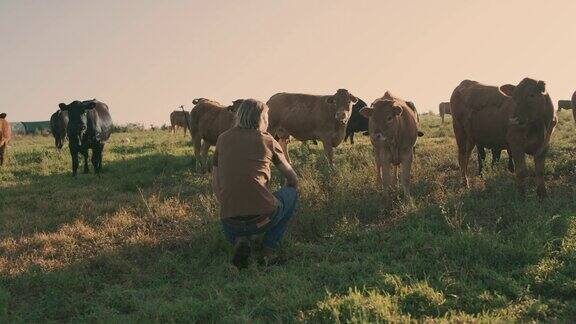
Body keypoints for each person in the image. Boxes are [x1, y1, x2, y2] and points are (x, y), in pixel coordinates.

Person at [212, 99, 299, 268]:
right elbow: (292, 177)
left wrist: (228, 207)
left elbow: (215, 183)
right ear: (261, 119)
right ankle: (269, 251)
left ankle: (241, 239)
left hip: (229, 223)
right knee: (291, 195)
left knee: (240, 217)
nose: (268, 122)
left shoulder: (222, 140)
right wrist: (289, 188)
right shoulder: (267, 140)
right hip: (264, 218)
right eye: (266, 117)